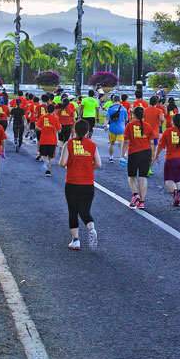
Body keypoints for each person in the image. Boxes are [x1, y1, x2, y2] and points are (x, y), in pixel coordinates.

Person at [59, 119, 102, 250]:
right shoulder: (92, 145)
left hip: (72, 182)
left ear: (74, 130)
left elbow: (62, 163)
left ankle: (75, 240)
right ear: (88, 131)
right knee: (84, 211)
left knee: (73, 211)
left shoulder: (69, 144)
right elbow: (99, 164)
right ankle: (92, 229)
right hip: (88, 183)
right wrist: (88, 166)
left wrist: (73, 165)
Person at [122, 106, 157, 209]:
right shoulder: (148, 126)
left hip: (134, 153)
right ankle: (141, 202)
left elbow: (126, 142)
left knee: (131, 177)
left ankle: (135, 194)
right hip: (146, 153)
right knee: (143, 177)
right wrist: (153, 155)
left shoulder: (129, 126)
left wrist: (122, 154)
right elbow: (151, 143)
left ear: (133, 115)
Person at [36, 104, 62, 175]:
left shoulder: (42, 117)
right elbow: (59, 130)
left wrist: (42, 129)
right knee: (52, 156)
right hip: (52, 140)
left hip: (43, 139)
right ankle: (48, 170)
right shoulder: (55, 119)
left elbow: (36, 127)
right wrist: (55, 129)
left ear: (46, 110)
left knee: (42, 155)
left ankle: (45, 161)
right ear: (54, 110)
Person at [106, 98, 128, 163]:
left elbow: (107, 118)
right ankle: (122, 157)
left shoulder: (110, 108)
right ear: (120, 100)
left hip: (112, 128)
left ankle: (111, 158)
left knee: (112, 143)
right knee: (121, 144)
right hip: (121, 129)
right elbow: (126, 119)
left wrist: (105, 126)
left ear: (113, 100)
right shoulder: (124, 108)